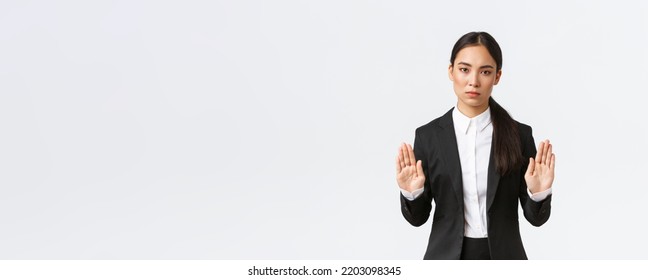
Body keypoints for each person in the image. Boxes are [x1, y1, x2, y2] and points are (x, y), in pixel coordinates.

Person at [396, 31, 555, 260]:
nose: (474, 81)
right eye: (464, 69)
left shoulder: (519, 135)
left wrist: (539, 193)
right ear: (451, 71)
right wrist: (412, 193)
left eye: (485, 72)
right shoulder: (428, 137)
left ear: (497, 76)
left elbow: (536, 219)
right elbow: (418, 219)